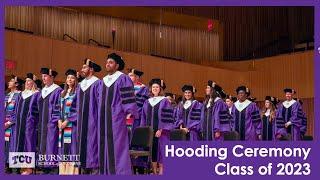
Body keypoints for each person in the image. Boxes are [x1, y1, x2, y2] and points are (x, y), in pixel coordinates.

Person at [98, 53, 138, 175]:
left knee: (117, 146)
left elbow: (128, 99)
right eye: (107, 62)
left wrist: (129, 112)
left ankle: (120, 173)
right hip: (103, 119)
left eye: (111, 62)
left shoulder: (123, 78)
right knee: (104, 144)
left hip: (117, 118)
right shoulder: (103, 81)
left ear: (117, 65)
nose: (107, 64)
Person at [25, 68, 62, 174]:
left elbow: (58, 108)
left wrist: (54, 121)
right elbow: (35, 108)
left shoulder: (57, 90)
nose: (43, 78)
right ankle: (43, 166)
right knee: (41, 144)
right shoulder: (42, 92)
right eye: (42, 76)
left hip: (52, 125)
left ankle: (52, 168)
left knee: (51, 144)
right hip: (41, 124)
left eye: (45, 76)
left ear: (52, 77)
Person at [140, 78, 175, 175]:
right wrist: (144, 131)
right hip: (150, 131)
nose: (155, 88)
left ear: (160, 89)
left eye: (157, 87)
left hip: (161, 132)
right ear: (151, 89)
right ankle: (155, 172)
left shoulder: (165, 101)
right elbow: (143, 116)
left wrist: (161, 129)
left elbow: (167, 117)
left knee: (161, 152)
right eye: (153, 87)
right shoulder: (147, 101)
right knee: (152, 152)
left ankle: (162, 172)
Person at [76, 58, 101, 174]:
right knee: (81, 146)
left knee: (92, 145)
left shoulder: (98, 83)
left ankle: (94, 171)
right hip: (80, 122)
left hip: (93, 121)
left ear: (91, 69)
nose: (82, 70)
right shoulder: (80, 85)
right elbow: (75, 104)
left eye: (84, 67)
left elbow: (101, 103)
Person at [13, 73, 40, 175]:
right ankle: (18, 168)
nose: (27, 83)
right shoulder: (21, 94)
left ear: (33, 83)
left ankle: (29, 169)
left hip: (30, 124)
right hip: (19, 124)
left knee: (28, 144)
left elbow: (38, 111)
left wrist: (33, 122)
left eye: (29, 81)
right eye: (26, 81)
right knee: (18, 143)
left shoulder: (36, 94)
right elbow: (16, 110)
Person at [58, 69, 78, 175]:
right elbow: (57, 109)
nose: (69, 79)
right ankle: (63, 173)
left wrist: (67, 121)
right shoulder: (62, 93)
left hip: (72, 125)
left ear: (75, 80)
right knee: (63, 149)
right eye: (68, 78)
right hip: (62, 125)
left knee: (71, 148)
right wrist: (58, 121)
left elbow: (77, 109)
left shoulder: (77, 93)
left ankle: (72, 173)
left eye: (72, 78)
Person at [4, 75, 23, 174]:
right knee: (6, 146)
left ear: (16, 84)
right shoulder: (7, 95)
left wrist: (9, 122)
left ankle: (16, 169)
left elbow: (18, 111)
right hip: (5, 126)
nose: (8, 83)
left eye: (11, 81)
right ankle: (7, 166)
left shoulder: (20, 95)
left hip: (14, 126)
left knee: (14, 146)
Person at [127, 68, 149, 139]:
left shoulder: (143, 89)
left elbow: (141, 104)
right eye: (128, 75)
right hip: (124, 116)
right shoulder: (125, 87)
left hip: (135, 117)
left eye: (131, 75)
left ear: (137, 77)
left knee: (133, 136)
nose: (129, 77)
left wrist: (132, 112)